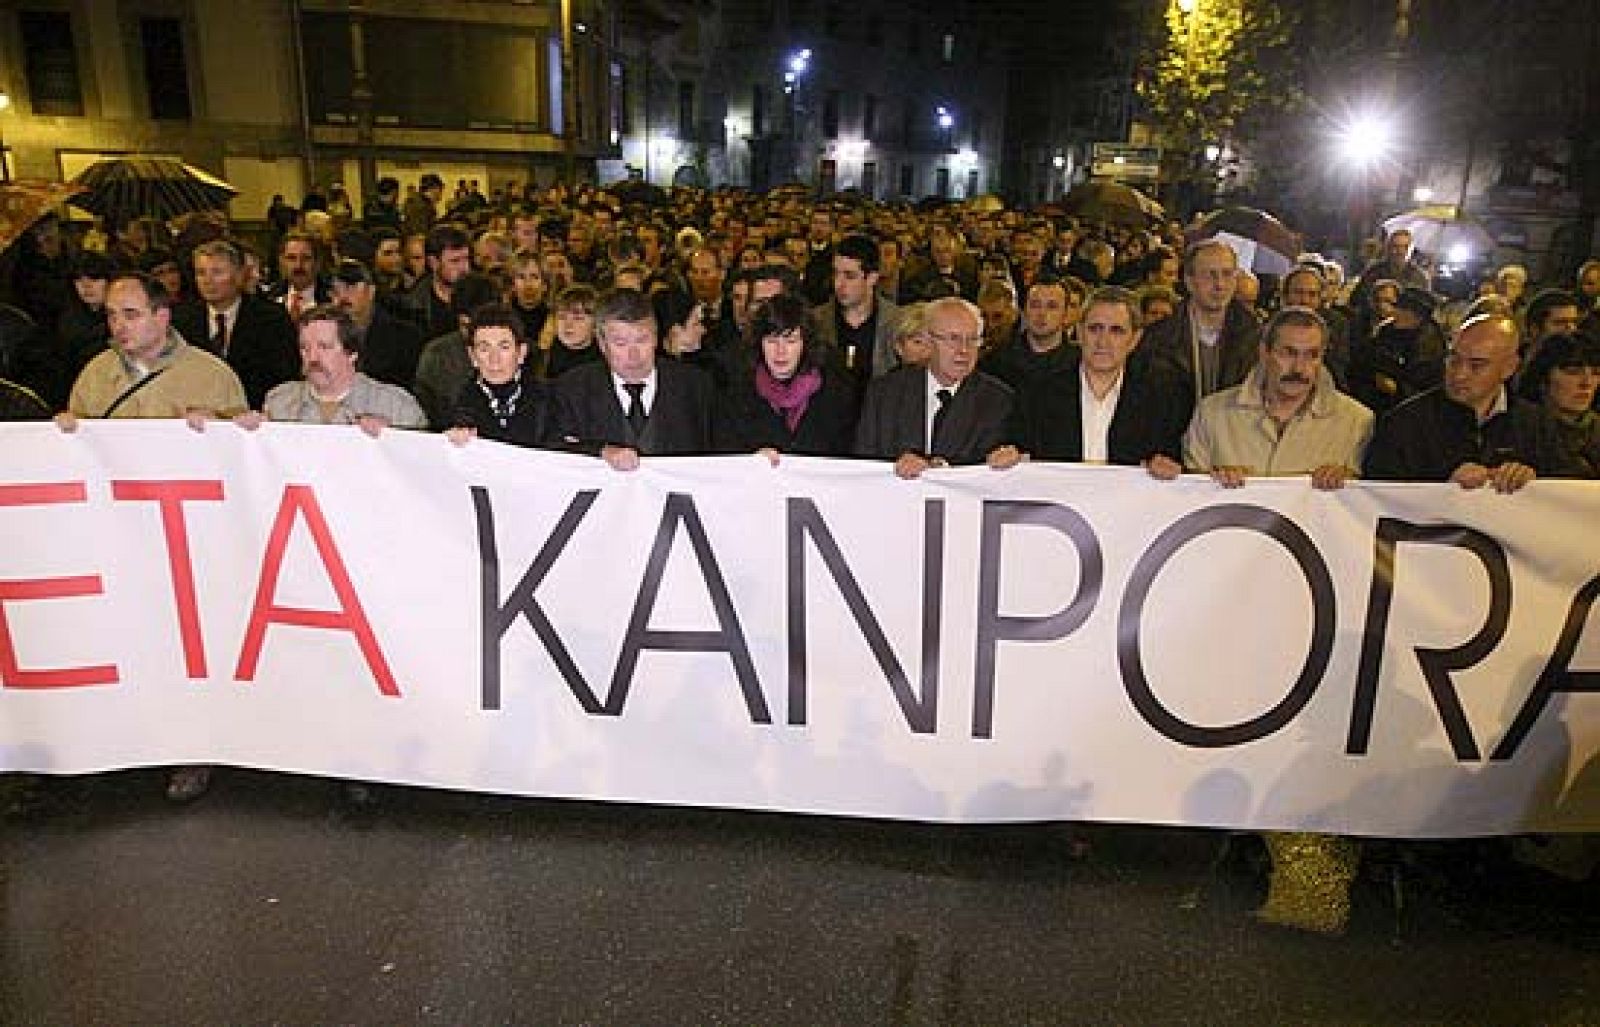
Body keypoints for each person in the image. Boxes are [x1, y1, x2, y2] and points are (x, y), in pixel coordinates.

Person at [1364, 315, 1583, 487]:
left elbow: (1568, 492)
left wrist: (1534, 482)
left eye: (1477, 365)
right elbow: (1380, 498)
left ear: (1509, 367)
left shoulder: (1536, 424)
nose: (1460, 374)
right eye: (1454, 360)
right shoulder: (1405, 423)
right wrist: (1443, 489)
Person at [1180, 306, 1374, 488]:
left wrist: (1349, 484)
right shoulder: (1211, 414)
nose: (1299, 368)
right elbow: (1190, 495)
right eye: (1288, 353)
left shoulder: (1357, 422)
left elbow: (1367, 502)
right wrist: (1213, 481)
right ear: (1264, 352)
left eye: (1312, 355)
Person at [1003, 286, 1190, 470]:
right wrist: (1009, 457)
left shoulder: (1159, 402)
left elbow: (1170, 460)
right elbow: (1018, 450)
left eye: (1116, 331)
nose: (1103, 342)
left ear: (1135, 339)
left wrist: (1167, 468)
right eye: (1094, 329)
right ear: (1079, 332)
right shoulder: (1038, 394)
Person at [552, 287, 716, 468]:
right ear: (602, 344)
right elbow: (554, 449)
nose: (633, 355)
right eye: (620, 343)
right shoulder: (572, 389)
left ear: (656, 337)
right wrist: (600, 451)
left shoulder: (695, 386)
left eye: (642, 340)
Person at [854, 296, 1014, 477]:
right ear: (929, 342)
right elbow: (864, 466)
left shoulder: (997, 400)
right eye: (953, 339)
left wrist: (940, 468)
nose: (964, 350)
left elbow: (992, 466)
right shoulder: (884, 394)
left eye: (972, 340)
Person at [714, 293, 858, 458]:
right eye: (772, 341)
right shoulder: (737, 395)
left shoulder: (836, 394)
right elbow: (725, 455)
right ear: (759, 343)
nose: (780, 351)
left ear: (806, 344)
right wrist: (750, 460)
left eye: (791, 341)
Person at [172, 239, 299, 410]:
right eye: (201, 273)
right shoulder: (181, 319)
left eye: (217, 272)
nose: (207, 281)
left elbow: (284, 377)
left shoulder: (271, 319)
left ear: (239, 275)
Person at [255, 304, 426, 430]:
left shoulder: (397, 407)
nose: (312, 358)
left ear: (352, 353)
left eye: (324, 347)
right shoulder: (279, 404)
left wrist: (392, 439)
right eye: (304, 348)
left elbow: (422, 460)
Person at [1142, 239, 1262, 405]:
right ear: (1189, 281)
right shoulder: (1158, 339)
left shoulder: (1255, 337)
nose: (1220, 284)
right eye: (1209, 275)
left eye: (1227, 274)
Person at [446, 304, 558, 449]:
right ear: (472, 356)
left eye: (504, 347)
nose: (494, 359)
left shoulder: (551, 401)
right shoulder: (456, 406)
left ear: (521, 353)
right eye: (484, 349)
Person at [810, 233, 900, 386]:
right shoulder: (815, 321)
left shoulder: (897, 321)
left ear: (872, 278)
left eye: (849, 276)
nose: (839, 284)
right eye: (836, 274)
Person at [329, 258, 423, 391]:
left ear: (371, 291)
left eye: (351, 288)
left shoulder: (405, 338)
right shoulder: (321, 335)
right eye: (336, 291)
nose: (342, 297)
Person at [1515, 332, 1600, 476]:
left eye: (1596, 373)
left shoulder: (1596, 430)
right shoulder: (1518, 429)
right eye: (1573, 372)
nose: (1587, 383)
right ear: (1543, 377)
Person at [978, 277, 1080, 390]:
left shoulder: (1082, 363)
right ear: (1024, 310)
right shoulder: (995, 360)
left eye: (1052, 306)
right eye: (1035, 305)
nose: (1042, 313)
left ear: (1065, 314)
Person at [403, 224, 473, 341]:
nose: (464, 268)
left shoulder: (483, 294)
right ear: (433, 263)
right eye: (455, 261)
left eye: (466, 259)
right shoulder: (413, 305)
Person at [534, 283, 602, 381]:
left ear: (596, 323)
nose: (568, 324)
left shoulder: (606, 362)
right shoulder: (539, 360)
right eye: (562, 317)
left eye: (578, 318)